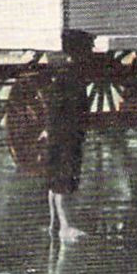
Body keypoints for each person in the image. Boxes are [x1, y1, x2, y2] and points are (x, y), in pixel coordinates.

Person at [45, 30, 95, 244]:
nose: (91, 52)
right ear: (80, 52)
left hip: (60, 132)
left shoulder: (63, 73)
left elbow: (54, 107)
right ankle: (65, 227)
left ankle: (54, 223)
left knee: (56, 178)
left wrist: (49, 129)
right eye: (89, 49)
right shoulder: (73, 76)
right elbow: (63, 107)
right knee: (66, 179)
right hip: (67, 133)